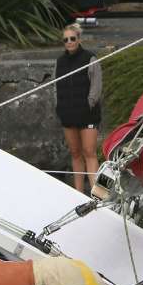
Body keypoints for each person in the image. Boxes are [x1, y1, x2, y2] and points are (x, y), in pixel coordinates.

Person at [54, 23, 102, 194]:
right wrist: (59, 107)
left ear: (79, 39)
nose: (69, 42)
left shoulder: (90, 58)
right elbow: (56, 86)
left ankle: (97, 195)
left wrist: (88, 105)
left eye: (72, 39)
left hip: (88, 115)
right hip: (68, 114)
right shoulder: (59, 61)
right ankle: (79, 194)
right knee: (75, 153)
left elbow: (96, 88)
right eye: (65, 40)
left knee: (89, 151)